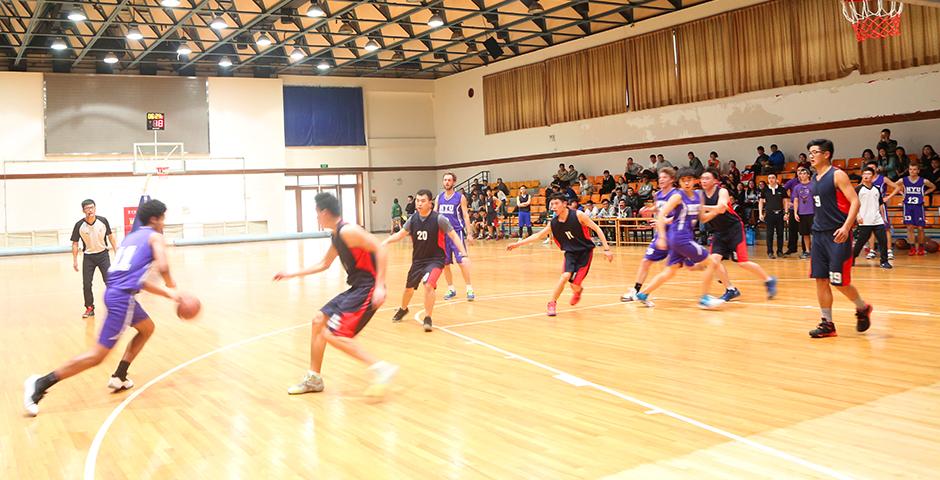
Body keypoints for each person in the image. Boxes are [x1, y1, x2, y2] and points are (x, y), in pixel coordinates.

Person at [25, 200, 184, 416]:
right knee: (97, 355)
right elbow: (163, 266)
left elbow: (138, 281)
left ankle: (120, 375)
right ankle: (40, 383)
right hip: (121, 299)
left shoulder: (132, 238)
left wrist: (168, 294)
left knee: (147, 328)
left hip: (116, 292)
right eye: (163, 218)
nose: (164, 222)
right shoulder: (155, 237)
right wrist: (173, 288)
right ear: (155, 219)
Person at [275, 193, 398, 396]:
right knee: (318, 321)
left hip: (366, 289)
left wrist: (380, 286)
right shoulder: (337, 234)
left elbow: (380, 248)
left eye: (316, 213)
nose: (316, 217)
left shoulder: (349, 231)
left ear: (324, 212)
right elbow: (324, 264)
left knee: (333, 334)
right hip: (356, 288)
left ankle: (380, 368)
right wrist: (291, 274)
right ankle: (314, 379)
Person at [630, 168, 725, 309]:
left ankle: (643, 294)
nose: (687, 183)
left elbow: (703, 218)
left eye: (689, 180)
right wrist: (662, 237)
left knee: (670, 271)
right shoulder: (678, 196)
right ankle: (704, 299)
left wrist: (716, 211)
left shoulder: (699, 195)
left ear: (695, 181)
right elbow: (662, 215)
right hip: (680, 238)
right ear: (679, 182)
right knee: (712, 262)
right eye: (683, 180)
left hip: (683, 238)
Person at [805, 138, 871, 339]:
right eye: (809, 152)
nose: (811, 156)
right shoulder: (814, 179)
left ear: (826, 154)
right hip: (819, 235)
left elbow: (855, 202)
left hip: (837, 235)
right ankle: (827, 323)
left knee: (838, 281)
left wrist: (846, 226)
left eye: (815, 152)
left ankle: (862, 307)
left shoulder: (838, 175)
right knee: (820, 279)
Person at [507, 194, 613, 316]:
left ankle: (578, 290)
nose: (553, 206)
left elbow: (597, 228)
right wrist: (518, 243)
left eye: (556, 203)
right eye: (552, 204)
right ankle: (552, 303)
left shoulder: (578, 215)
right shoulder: (554, 223)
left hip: (585, 252)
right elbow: (538, 235)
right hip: (570, 253)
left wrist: (606, 249)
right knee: (564, 276)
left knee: (575, 284)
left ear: (564, 204)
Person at [386, 190, 470, 332]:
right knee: (408, 289)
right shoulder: (412, 219)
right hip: (418, 261)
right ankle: (403, 308)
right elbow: (400, 235)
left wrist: (464, 254)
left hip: (436, 260)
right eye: (417, 200)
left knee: (429, 285)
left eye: (423, 201)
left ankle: (428, 317)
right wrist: (385, 242)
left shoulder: (439, 219)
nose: (419, 203)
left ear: (430, 203)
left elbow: (454, 236)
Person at [699, 168, 778, 302]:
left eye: (707, 178)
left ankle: (769, 280)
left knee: (743, 262)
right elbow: (704, 219)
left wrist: (703, 208)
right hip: (719, 232)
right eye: (702, 178)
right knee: (714, 261)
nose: (704, 181)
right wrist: (711, 211)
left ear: (715, 181)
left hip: (734, 229)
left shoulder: (722, 191)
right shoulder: (701, 195)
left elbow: (722, 207)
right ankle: (730, 289)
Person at [621, 167, 679, 301]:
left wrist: (664, 220)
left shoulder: (677, 195)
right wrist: (649, 209)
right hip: (661, 234)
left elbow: (681, 216)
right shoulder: (658, 195)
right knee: (646, 261)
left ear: (671, 179)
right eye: (660, 177)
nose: (661, 180)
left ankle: (723, 282)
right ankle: (636, 290)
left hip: (676, 234)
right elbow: (659, 209)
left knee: (695, 264)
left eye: (664, 177)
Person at [71, 199, 118, 318]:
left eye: (92, 207)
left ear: (95, 208)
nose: (90, 210)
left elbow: (111, 237)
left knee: (109, 282)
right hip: (88, 258)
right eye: (87, 208)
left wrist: (117, 251)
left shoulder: (103, 221)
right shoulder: (79, 225)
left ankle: (114, 306)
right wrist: (75, 260)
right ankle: (89, 308)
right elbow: (75, 243)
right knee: (86, 284)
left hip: (103, 255)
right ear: (83, 211)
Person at [436, 173, 476, 301]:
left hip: (456, 233)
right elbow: (435, 216)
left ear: (454, 182)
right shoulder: (439, 198)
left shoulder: (460, 197)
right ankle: (451, 288)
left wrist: (469, 233)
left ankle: (469, 288)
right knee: (445, 263)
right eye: (445, 180)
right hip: (442, 234)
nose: (447, 182)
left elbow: (465, 215)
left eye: (449, 180)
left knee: (462, 262)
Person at [887, 163, 936, 255]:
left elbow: (933, 187)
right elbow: (893, 185)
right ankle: (912, 248)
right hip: (908, 206)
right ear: (908, 170)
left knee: (920, 228)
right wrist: (901, 192)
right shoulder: (903, 180)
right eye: (910, 169)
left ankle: (921, 247)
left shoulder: (923, 181)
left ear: (918, 171)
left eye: (914, 169)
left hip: (919, 206)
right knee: (909, 227)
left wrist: (924, 193)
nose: (912, 171)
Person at [853, 168, 892, 269]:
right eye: (864, 174)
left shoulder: (876, 189)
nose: (866, 175)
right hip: (864, 220)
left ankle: (884, 261)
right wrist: (857, 215)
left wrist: (883, 218)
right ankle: (852, 257)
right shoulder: (858, 189)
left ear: (873, 176)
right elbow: (853, 204)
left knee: (883, 240)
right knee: (861, 241)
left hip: (877, 219)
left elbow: (880, 204)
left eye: (869, 174)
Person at [759, 173, 786, 258]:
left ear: (776, 179)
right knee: (769, 234)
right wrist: (760, 213)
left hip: (780, 214)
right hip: (769, 214)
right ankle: (770, 252)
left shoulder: (781, 189)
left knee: (780, 233)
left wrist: (786, 213)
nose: (771, 179)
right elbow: (760, 202)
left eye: (773, 178)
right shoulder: (765, 190)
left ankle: (780, 251)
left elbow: (785, 201)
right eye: (769, 178)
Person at [790, 168, 815, 258]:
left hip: (813, 213)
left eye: (804, 173)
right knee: (805, 233)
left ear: (808, 175)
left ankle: (816, 251)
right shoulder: (797, 187)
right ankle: (807, 251)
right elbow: (796, 200)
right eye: (801, 174)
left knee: (815, 233)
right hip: (802, 213)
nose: (802, 175)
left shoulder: (814, 185)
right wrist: (796, 213)